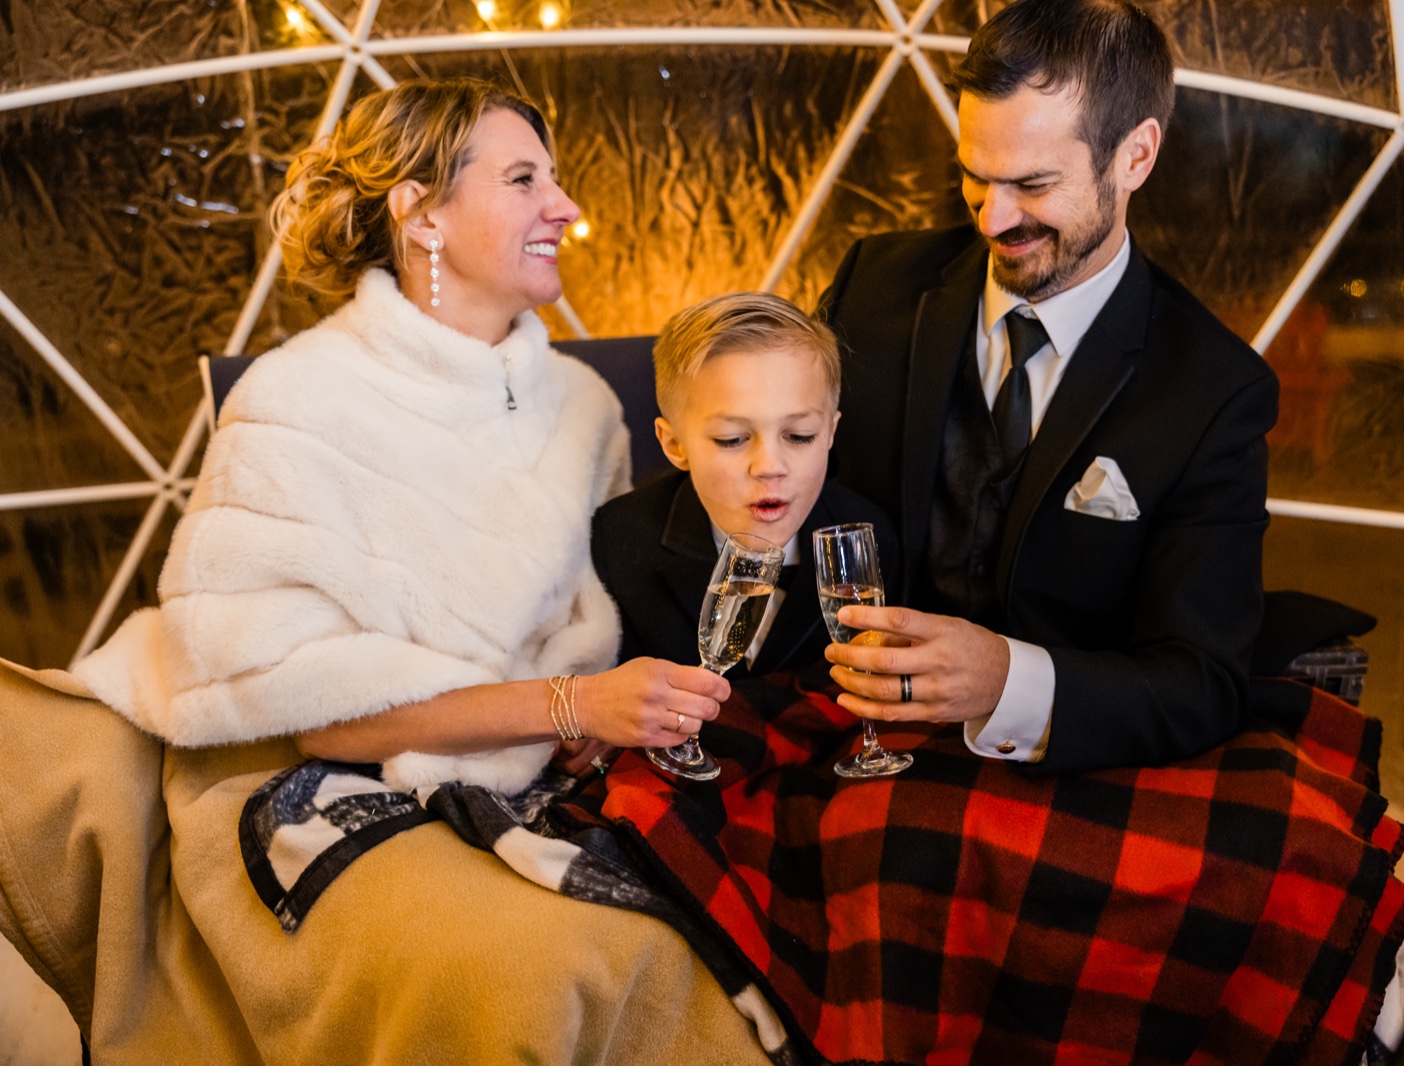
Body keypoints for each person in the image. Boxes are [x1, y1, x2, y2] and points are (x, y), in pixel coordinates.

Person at [70, 78, 729, 794]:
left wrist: (596, 725)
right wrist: (569, 706)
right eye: (522, 180)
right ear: (420, 216)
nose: (565, 209)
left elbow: (607, 623)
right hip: (327, 785)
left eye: (556, 180)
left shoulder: (584, 407)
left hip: (553, 785)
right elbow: (318, 714)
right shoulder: (296, 404)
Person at [817, 0, 1279, 771]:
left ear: (1136, 157)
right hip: (849, 734)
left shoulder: (1213, 390)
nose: (992, 218)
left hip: (1064, 772)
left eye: (1032, 184)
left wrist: (1007, 681)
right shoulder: (872, 287)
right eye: (973, 176)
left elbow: (1202, 684)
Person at [591, 292, 896, 676]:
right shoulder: (616, 543)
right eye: (732, 439)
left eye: (799, 435)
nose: (769, 467)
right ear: (674, 444)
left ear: (830, 432)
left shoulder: (876, 539)